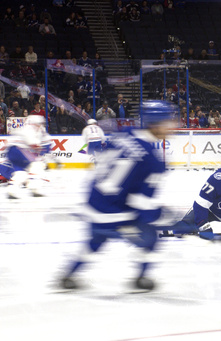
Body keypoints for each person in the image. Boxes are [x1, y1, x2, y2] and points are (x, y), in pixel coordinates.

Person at [59, 101, 180, 291]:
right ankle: (142, 277)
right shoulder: (154, 159)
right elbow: (143, 205)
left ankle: (69, 274)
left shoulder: (123, 135)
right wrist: (167, 219)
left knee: (96, 240)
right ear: (155, 124)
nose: (174, 126)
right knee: (151, 238)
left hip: (93, 204)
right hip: (114, 215)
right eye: (168, 121)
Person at [0, 116, 51, 195]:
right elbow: (34, 146)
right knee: (31, 170)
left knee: (21, 172)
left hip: (7, 162)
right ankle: (33, 188)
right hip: (9, 164)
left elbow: (6, 145)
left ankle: (10, 188)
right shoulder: (32, 131)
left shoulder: (22, 130)